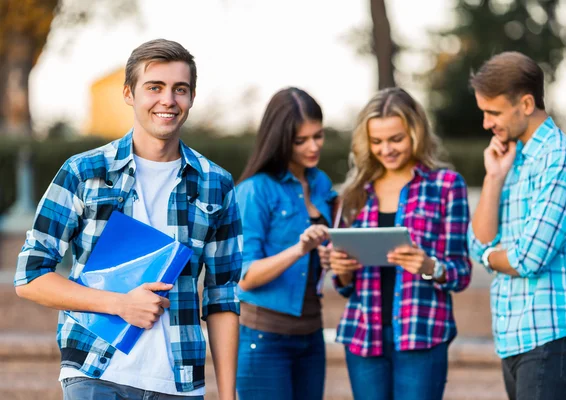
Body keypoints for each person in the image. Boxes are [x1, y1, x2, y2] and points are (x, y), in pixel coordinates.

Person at [14, 39, 241, 400]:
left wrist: (229, 395)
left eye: (179, 89)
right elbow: (30, 277)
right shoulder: (84, 172)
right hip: (95, 373)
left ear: (192, 98)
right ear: (129, 94)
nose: (168, 100)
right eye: (155, 87)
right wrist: (119, 304)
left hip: (178, 383)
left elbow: (223, 297)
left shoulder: (216, 184)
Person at [468, 51, 566, 400]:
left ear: (526, 103)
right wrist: (494, 177)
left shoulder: (561, 158)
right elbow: (477, 241)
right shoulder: (513, 159)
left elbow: (529, 258)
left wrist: (489, 257)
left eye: (492, 112)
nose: (486, 124)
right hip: (513, 331)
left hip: (549, 330)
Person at [329, 87, 471, 400]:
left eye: (396, 139)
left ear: (416, 133)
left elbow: (461, 273)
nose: (386, 149)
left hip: (422, 332)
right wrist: (342, 271)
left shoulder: (446, 185)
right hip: (364, 333)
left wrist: (428, 266)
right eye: (377, 141)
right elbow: (344, 286)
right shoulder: (354, 191)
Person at [235, 87, 335, 400]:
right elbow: (246, 276)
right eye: (301, 140)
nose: (313, 146)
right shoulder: (254, 191)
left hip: (311, 332)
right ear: (280, 139)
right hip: (265, 337)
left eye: (318, 136)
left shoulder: (322, 183)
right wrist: (298, 249)